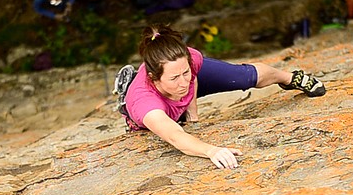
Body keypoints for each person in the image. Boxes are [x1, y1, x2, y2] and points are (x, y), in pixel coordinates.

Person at [120, 24, 326, 170]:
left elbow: (191, 81)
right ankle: (126, 88)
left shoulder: (188, 60)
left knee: (245, 76)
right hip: (157, 107)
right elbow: (175, 136)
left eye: (186, 72)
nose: (183, 81)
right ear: (153, 79)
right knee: (171, 119)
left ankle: (292, 78)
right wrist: (211, 151)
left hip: (172, 91)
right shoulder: (146, 103)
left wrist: (193, 116)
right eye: (175, 77)